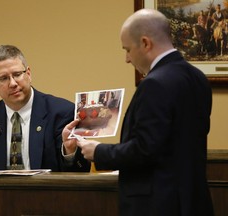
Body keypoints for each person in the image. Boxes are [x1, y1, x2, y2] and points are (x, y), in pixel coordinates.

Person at [62, 9, 214, 216]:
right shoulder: (198, 78)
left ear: (145, 43)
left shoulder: (154, 84)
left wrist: (98, 152)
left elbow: (145, 149)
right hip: (193, 199)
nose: (126, 59)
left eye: (127, 49)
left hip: (158, 204)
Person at [0, 45, 90, 172]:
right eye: (3, 78)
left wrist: (70, 152)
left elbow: (80, 171)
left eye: (17, 74)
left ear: (28, 74)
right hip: (0, 192)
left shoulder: (62, 113)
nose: (12, 83)